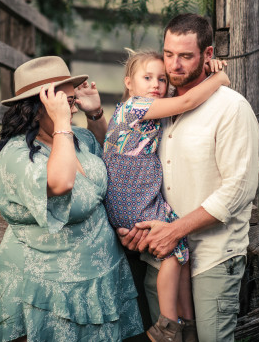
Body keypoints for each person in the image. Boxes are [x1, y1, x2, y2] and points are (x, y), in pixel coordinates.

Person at [118, 14, 259, 342]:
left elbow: (239, 189)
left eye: (185, 56)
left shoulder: (231, 109)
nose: (174, 65)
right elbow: (125, 161)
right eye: (168, 54)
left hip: (212, 256)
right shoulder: (158, 106)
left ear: (208, 55)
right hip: (161, 255)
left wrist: (176, 230)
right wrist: (135, 227)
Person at [0, 56, 144, 342]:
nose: (72, 109)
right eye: (66, 102)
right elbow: (60, 183)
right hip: (49, 288)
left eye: (73, 101)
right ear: (38, 107)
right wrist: (62, 121)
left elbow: (108, 153)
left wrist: (95, 114)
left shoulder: (77, 138)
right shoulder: (17, 154)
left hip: (101, 277)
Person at [102, 48, 229, 342]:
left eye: (162, 79)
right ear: (129, 83)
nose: (156, 85)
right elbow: (187, 100)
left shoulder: (146, 108)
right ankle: (167, 326)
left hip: (133, 194)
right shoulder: (136, 106)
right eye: (147, 78)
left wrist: (207, 69)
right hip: (131, 196)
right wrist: (220, 78)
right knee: (173, 250)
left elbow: (186, 91)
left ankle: (187, 323)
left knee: (181, 250)